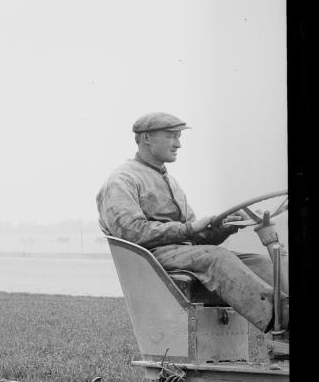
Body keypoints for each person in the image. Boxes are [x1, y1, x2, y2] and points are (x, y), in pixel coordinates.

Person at [97, 111, 286, 335]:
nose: (178, 144)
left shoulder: (170, 181)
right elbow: (131, 233)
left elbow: (195, 237)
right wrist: (188, 229)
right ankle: (283, 320)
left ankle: (284, 317)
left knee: (260, 261)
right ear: (146, 138)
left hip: (183, 254)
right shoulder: (122, 180)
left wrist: (225, 227)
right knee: (217, 257)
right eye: (171, 136)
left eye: (179, 137)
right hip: (151, 260)